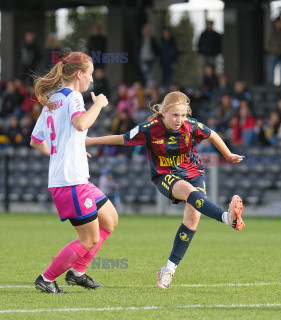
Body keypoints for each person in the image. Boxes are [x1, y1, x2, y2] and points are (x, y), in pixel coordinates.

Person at [86, 91, 246, 289]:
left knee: (192, 219)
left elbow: (212, 134)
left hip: (194, 171)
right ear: (163, 112)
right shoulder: (149, 128)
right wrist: (90, 140)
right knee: (189, 192)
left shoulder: (191, 125)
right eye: (174, 115)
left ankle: (168, 269)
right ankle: (226, 217)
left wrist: (228, 154)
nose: (179, 120)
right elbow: (122, 138)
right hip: (165, 175)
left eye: (183, 115)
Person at [30, 52, 118, 293]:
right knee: (88, 238)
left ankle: (77, 272)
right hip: (71, 181)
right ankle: (46, 279)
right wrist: (99, 103)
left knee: (110, 220)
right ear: (79, 74)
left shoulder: (53, 98)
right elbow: (80, 123)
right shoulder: (74, 97)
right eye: (89, 74)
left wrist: (66, 153)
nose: (91, 80)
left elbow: (36, 141)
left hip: (73, 177)